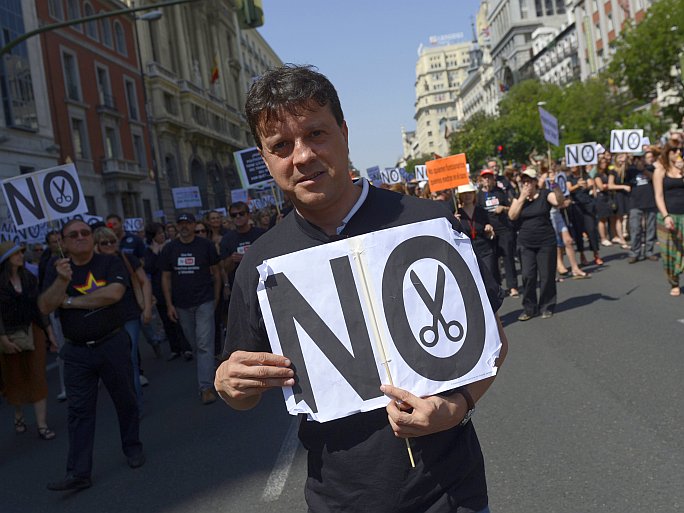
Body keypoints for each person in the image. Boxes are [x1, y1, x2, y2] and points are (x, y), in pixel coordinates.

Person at [214, 65, 508, 513]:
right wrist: (229, 385)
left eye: (316, 133)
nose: (303, 155)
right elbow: (244, 389)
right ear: (265, 158)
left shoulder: (430, 222)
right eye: (281, 146)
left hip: (451, 492)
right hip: (340, 500)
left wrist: (456, 406)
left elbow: (494, 342)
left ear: (344, 132)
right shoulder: (260, 263)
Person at [39, 220, 144, 492]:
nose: (80, 237)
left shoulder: (109, 262)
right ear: (62, 242)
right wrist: (62, 281)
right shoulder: (57, 269)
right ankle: (78, 472)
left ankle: (133, 447)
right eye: (72, 235)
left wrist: (71, 301)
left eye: (85, 233)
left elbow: (114, 294)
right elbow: (46, 305)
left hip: (112, 343)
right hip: (77, 351)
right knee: (79, 412)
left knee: (126, 399)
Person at [160, 213, 221, 404]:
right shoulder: (170, 249)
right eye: (181, 223)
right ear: (177, 226)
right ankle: (208, 369)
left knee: (204, 344)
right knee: (196, 344)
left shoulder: (206, 246)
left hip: (204, 301)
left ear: (194, 225)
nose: (184, 226)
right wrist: (169, 304)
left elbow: (217, 273)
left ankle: (206, 387)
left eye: (188, 223)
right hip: (181, 304)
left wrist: (217, 296)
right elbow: (166, 277)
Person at [0, 242, 57, 440]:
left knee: (37, 376)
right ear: (6, 259)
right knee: (14, 378)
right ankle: (18, 414)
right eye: (16, 253)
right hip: (8, 334)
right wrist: (3, 338)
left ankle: (42, 425)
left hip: (33, 330)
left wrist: (49, 332)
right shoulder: (0, 283)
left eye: (21, 252)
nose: (21, 256)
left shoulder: (29, 278)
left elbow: (39, 306)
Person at [94, 227, 153, 410]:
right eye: (105, 243)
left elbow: (144, 281)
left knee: (130, 359)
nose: (110, 245)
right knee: (115, 363)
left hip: (129, 314)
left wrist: (147, 308)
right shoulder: (93, 265)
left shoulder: (127, 258)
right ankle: (126, 401)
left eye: (113, 241)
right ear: (97, 246)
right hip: (104, 319)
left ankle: (136, 405)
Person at [508, 167, 564, 320]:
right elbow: (512, 216)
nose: (525, 185)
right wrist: (522, 198)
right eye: (523, 182)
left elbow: (559, 202)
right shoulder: (518, 197)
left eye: (528, 182)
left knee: (546, 276)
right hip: (526, 243)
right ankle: (529, 308)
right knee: (528, 276)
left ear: (535, 182)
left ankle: (547, 306)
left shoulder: (545, 194)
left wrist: (555, 185)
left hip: (545, 241)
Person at [143, 223, 192, 361]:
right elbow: (149, 268)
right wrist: (154, 253)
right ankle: (174, 349)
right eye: (159, 233)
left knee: (179, 319)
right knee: (166, 321)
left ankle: (187, 348)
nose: (162, 235)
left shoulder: (171, 247)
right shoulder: (149, 251)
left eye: (162, 232)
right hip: (158, 290)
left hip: (173, 288)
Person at [478, 168, 519, 297]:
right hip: (489, 233)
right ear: (481, 180)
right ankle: (497, 286)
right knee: (493, 261)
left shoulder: (500, 192)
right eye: (484, 178)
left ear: (493, 179)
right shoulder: (478, 196)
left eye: (489, 177)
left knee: (508, 258)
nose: (487, 180)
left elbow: (511, 208)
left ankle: (513, 287)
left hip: (503, 230)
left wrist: (503, 208)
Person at [653, 141, 684, 296]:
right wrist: (666, 216)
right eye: (674, 149)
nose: (677, 152)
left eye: (680, 149)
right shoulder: (660, 171)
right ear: (667, 151)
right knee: (669, 253)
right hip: (668, 216)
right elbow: (658, 196)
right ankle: (674, 282)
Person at [219, 202, 266, 290]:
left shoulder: (260, 233)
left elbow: (268, 258)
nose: (238, 217)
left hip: (261, 282)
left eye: (241, 213)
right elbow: (226, 269)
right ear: (231, 218)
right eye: (234, 215)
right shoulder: (227, 239)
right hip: (239, 286)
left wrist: (246, 258)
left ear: (248, 215)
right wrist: (231, 259)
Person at [457, 182, 496, 276]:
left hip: (484, 251)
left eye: (470, 192)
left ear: (474, 194)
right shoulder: (457, 214)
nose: (467, 195)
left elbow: (491, 234)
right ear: (460, 196)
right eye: (464, 193)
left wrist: (489, 230)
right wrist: (455, 223)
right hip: (467, 252)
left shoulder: (482, 211)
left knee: (488, 277)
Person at [626, 152, 658, 263]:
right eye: (636, 158)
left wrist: (643, 170)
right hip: (635, 203)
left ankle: (649, 251)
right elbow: (623, 180)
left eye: (641, 158)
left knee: (651, 228)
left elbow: (655, 179)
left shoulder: (651, 168)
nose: (639, 160)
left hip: (650, 202)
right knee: (635, 229)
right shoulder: (629, 170)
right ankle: (635, 252)